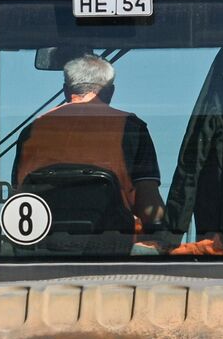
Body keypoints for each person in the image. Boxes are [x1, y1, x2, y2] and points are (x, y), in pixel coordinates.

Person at [13, 53, 166, 232]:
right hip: (113, 243)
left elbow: (20, 196)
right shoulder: (131, 128)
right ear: (110, 91)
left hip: (41, 246)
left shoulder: (32, 130)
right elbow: (149, 204)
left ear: (66, 90)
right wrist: (162, 233)